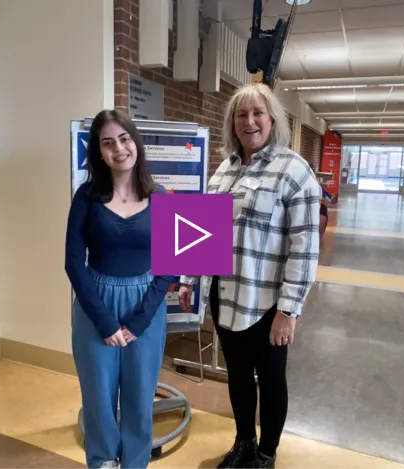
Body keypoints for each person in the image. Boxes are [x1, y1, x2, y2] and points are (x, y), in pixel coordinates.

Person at [178, 83, 321, 469]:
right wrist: (190, 280)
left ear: (272, 119)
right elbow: (202, 232)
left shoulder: (294, 170)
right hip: (225, 298)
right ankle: (243, 440)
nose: (250, 121)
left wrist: (289, 311)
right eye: (241, 115)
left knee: (271, 381)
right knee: (239, 377)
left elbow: (304, 247)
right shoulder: (224, 169)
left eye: (258, 112)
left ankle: (265, 454)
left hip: (266, 303)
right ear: (232, 123)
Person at [65, 109, 174, 469]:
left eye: (124, 139)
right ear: (98, 151)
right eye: (107, 143)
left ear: (136, 143)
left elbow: (169, 266)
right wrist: (105, 322)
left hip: (146, 305)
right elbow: (72, 262)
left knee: (140, 398)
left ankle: (135, 464)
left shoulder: (161, 198)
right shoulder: (86, 197)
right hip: (96, 304)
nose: (119, 149)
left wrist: (139, 322)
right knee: (98, 398)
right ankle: (102, 462)